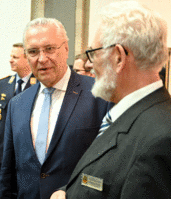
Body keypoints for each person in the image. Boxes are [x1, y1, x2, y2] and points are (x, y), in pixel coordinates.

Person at [50, 1, 171, 198]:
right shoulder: (131, 117)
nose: (89, 64)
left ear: (118, 57)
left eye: (93, 53)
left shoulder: (160, 139)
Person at [0, 18, 110, 199]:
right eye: (33, 52)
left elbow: (110, 165)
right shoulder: (17, 104)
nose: (42, 59)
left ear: (66, 49)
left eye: (49, 49)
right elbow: (8, 175)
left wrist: (71, 191)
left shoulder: (100, 95)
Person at [0, 43, 37, 161]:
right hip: (3, 150)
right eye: (11, 57)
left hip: (28, 153)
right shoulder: (3, 84)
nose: (10, 60)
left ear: (27, 59)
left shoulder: (39, 85)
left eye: (15, 57)